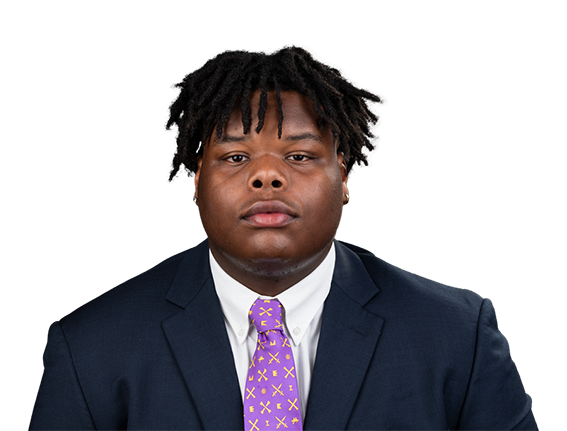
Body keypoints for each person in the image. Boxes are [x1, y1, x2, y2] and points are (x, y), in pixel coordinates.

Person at [30, 47, 537, 430]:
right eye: (235, 157)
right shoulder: (91, 348)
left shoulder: (457, 337)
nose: (267, 176)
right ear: (196, 181)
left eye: (298, 156)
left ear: (343, 176)